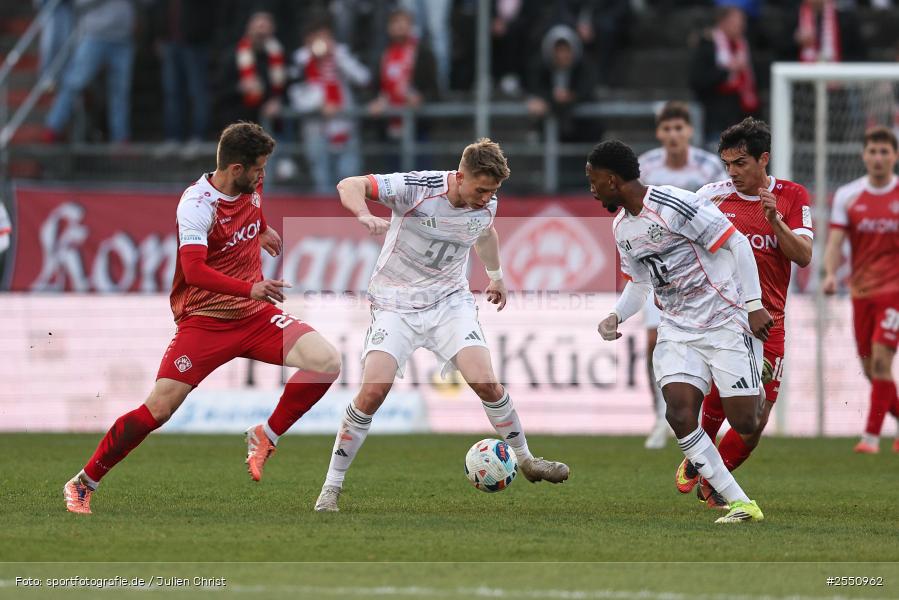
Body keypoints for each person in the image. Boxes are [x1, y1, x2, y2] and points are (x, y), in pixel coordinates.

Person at [63, 122, 342, 515]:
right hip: (205, 321)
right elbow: (193, 271)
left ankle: (266, 435)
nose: (263, 176)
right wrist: (250, 288)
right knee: (159, 409)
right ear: (235, 169)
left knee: (326, 361)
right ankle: (84, 481)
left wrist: (262, 230)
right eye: (258, 169)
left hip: (255, 318)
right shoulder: (197, 205)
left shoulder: (251, 183)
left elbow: (252, 207)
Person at [313, 138, 570, 512]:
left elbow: (485, 232)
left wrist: (496, 276)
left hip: (450, 302)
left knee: (486, 382)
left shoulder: (486, 203)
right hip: (396, 303)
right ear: (461, 177)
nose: (487, 199)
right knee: (372, 393)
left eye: (493, 192)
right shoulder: (416, 188)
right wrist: (363, 214)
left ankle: (527, 460)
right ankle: (331, 488)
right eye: (481, 190)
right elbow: (349, 184)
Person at [590, 139, 772, 524]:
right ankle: (741, 503)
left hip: (724, 319)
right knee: (679, 412)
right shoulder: (622, 228)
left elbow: (737, 243)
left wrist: (754, 305)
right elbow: (640, 284)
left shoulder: (674, 204)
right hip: (677, 327)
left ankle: (757, 368)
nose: (592, 190)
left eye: (594, 181)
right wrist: (616, 316)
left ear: (612, 179)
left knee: (746, 422)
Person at [678, 117, 813, 509]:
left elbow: (803, 256)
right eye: (727, 164)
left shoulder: (792, 196)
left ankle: (707, 469)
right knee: (722, 397)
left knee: (755, 422)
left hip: (770, 321)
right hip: (724, 319)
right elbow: (683, 248)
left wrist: (775, 222)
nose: (732, 172)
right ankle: (709, 474)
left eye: (741, 163)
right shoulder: (710, 197)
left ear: (763, 159)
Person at [637, 101, 728, 450]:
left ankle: (704, 417)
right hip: (657, 267)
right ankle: (659, 417)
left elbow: (721, 212)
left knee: (708, 342)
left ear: (689, 131)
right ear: (659, 133)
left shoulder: (709, 167)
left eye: (679, 128)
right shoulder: (645, 166)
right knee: (652, 343)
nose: (674, 135)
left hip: (698, 270)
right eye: (667, 128)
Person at [824, 126, 899, 454]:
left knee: (882, 361)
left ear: (894, 156)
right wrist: (829, 274)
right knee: (871, 369)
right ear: (864, 155)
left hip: (894, 292)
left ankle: (870, 438)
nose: (878, 157)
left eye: (884, 152)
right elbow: (835, 241)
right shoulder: (848, 195)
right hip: (861, 292)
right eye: (873, 151)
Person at [42, 0, 137, 143]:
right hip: (94, 35)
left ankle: (121, 138)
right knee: (75, 82)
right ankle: (53, 127)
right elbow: (77, 4)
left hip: (123, 38)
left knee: (120, 92)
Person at [688, 6, 758, 147]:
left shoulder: (743, 44)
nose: (741, 27)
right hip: (716, 116)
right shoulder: (707, 44)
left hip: (741, 114)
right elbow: (697, 80)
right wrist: (728, 70)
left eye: (743, 22)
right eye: (737, 22)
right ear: (723, 22)